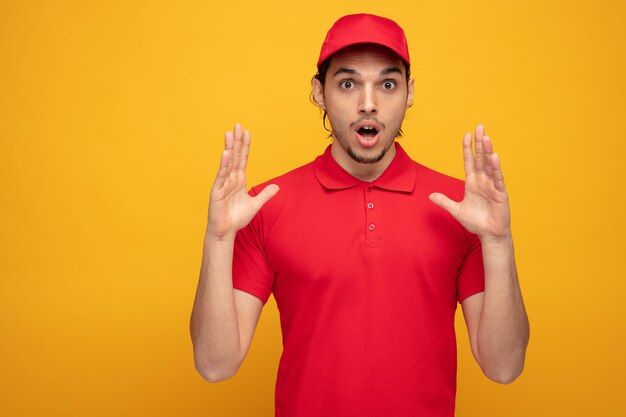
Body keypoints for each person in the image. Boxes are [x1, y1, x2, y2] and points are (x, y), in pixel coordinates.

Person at [190, 13, 529, 417]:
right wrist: (218, 239)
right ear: (319, 92)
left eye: (387, 84)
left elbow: (504, 366)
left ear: (409, 92)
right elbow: (214, 364)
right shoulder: (266, 205)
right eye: (348, 84)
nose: (368, 103)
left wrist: (497, 241)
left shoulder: (462, 207)